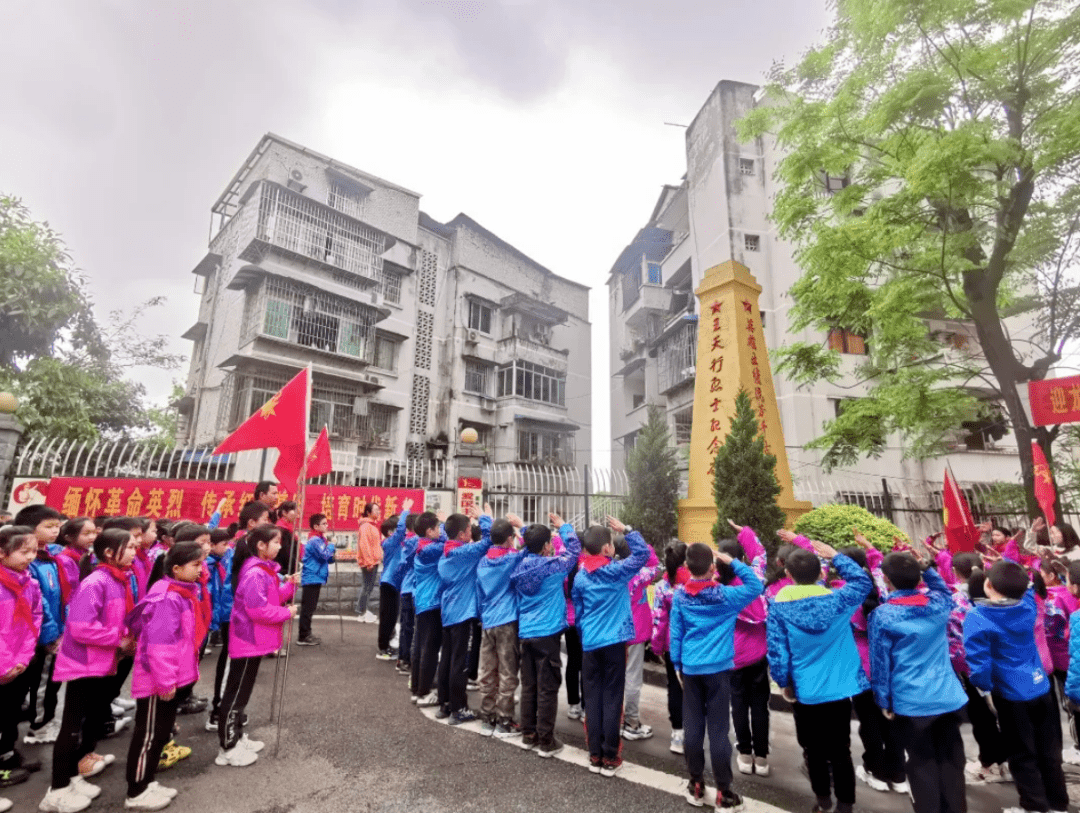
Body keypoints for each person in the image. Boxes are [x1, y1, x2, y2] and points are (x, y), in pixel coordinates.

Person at [766, 541, 871, 813]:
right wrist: (836, 556)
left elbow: (778, 652)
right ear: (822, 574)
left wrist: (783, 683)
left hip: (805, 691)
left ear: (788, 575)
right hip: (840, 690)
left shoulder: (778, 608)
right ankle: (845, 806)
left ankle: (823, 802)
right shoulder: (838, 601)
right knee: (841, 751)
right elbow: (862, 579)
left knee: (814, 752)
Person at [41, 527, 138, 813]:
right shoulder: (96, 581)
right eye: (130, 547)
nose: (135, 551)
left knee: (89, 719)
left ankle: (72, 776)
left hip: (102, 660)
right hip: (84, 662)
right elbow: (81, 627)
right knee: (71, 726)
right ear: (109, 553)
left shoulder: (118, 579)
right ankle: (57, 790)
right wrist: (118, 638)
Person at [965, 559, 1069, 813]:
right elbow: (1030, 582)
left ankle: (1034, 805)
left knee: (1022, 752)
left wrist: (985, 688)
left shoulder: (978, 616)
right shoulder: (1029, 603)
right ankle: (1058, 803)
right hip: (1040, 685)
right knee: (1049, 748)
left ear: (987, 584)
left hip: (1011, 693)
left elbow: (978, 666)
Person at [870, 552, 968, 813]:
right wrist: (927, 567)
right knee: (951, 762)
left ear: (887, 580)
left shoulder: (884, 615)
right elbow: (943, 589)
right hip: (948, 697)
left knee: (921, 765)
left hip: (911, 700)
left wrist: (883, 699)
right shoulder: (938, 604)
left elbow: (881, 663)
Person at [670, 540, 764, 810]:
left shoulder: (680, 596)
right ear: (713, 568)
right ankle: (724, 791)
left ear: (687, 567)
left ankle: (696, 784)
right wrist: (731, 560)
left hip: (690, 669)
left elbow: (676, 633)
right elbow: (756, 585)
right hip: (719, 669)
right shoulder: (727, 596)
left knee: (693, 728)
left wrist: (677, 663)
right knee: (719, 732)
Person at [123, 541, 206, 811]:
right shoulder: (167, 598)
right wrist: (166, 681)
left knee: (160, 733)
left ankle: (147, 781)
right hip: (158, 681)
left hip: (168, 678)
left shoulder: (180, 593)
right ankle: (136, 790)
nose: (200, 570)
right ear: (176, 568)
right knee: (148, 734)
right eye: (195, 565)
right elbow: (160, 646)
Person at [571, 516, 648, 775]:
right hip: (615, 643)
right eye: (612, 543)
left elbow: (579, 614)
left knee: (592, 698)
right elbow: (643, 554)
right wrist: (626, 529)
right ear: (606, 549)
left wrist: (586, 634)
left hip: (591, 643)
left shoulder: (581, 578)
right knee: (613, 697)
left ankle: (594, 755)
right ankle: (610, 756)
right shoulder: (617, 571)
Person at [217, 524, 298, 767]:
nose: (280, 546)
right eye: (275, 542)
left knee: (242, 694)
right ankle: (227, 747)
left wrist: (291, 585)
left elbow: (272, 598)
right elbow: (257, 610)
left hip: (254, 641)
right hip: (247, 640)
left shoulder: (265, 571)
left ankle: (238, 738)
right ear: (261, 546)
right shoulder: (255, 573)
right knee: (235, 696)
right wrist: (286, 613)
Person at [511, 513, 581, 758]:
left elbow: (529, 545)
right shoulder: (553, 567)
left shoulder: (518, 565)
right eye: (549, 543)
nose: (552, 546)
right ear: (544, 547)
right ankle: (546, 740)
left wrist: (527, 531)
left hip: (526, 632)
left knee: (529, 685)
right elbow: (574, 550)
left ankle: (528, 734)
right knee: (548, 687)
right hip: (548, 634)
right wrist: (564, 527)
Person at [720, 535, 772, 779]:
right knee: (761, 705)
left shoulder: (720, 590)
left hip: (734, 656)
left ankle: (744, 752)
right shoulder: (755, 581)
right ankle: (761, 758)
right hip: (759, 654)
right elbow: (760, 555)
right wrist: (744, 533)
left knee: (738, 704)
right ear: (740, 560)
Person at [435, 507, 492, 723]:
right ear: (461, 534)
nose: (471, 533)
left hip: (449, 612)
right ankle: (459, 709)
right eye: (469, 529)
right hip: (463, 614)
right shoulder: (463, 553)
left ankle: (445, 705)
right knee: (460, 663)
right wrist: (484, 518)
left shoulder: (447, 550)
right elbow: (487, 542)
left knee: (447, 660)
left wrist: (444, 523)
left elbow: (444, 533)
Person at [18, 504, 65, 747]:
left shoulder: (50, 557)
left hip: (52, 630)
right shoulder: (29, 562)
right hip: (39, 636)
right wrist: (50, 634)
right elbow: (40, 603)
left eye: (57, 525)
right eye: (49, 526)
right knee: (42, 683)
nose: (56, 530)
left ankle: (43, 719)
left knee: (48, 682)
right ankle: (40, 726)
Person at [0, 525, 43, 794]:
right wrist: (5, 665)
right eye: (23, 551)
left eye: (34, 551)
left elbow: (34, 620)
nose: (29, 557)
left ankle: (7, 752)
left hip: (20, 661)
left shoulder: (29, 582)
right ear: (2, 553)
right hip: (4, 664)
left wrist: (24, 658)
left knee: (12, 711)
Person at [476, 514, 524, 736]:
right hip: (507, 621)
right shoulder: (512, 558)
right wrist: (522, 528)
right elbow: (532, 548)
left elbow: (478, 594)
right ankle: (505, 719)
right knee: (507, 672)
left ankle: (487, 715)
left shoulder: (483, 562)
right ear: (508, 539)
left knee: (487, 670)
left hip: (487, 621)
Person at [651, 539, 689, 755]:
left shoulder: (662, 587)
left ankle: (677, 735)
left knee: (674, 690)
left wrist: (657, 647)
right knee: (694, 691)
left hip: (670, 647)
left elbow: (659, 620)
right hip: (695, 646)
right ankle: (695, 732)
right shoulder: (696, 583)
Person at [622, 537, 660, 742]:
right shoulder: (640, 574)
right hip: (635, 633)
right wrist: (643, 543)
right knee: (633, 678)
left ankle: (617, 718)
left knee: (615, 677)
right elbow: (654, 563)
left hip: (615, 633)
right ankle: (631, 723)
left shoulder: (612, 572)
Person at [204, 529, 234, 733]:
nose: (228, 547)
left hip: (224, 616)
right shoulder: (204, 566)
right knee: (226, 662)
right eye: (224, 544)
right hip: (213, 619)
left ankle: (223, 708)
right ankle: (218, 711)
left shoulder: (226, 558)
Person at [297, 513, 336, 647]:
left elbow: (328, 558)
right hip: (312, 576)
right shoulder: (314, 540)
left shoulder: (320, 540)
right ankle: (303, 635)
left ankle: (307, 633)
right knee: (308, 608)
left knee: (310, 607)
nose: (327, 525)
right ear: (316, 526)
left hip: (317, 577)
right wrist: (331, 545)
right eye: (324, 523)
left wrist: (331, 550)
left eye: (327, 523)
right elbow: (324, 555)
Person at [396, 509, 418, 677]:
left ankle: (404, 658)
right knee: (409, 626)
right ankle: (405, 659)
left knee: (407, 626)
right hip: (411, 589)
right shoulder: (413, 541)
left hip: (407, 588)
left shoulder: (407, 541)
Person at [356, 502, 383, 623]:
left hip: (373, 561)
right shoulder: (366, 526)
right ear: (368, 512)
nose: (378, 512)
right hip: (369, 562)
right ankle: (361, 612)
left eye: (378, 510)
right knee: (367, 587)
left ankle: (362, 610)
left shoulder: (371, 525)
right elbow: (364, 545)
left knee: (368, 587)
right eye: (375, 510)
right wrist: (369, 562)